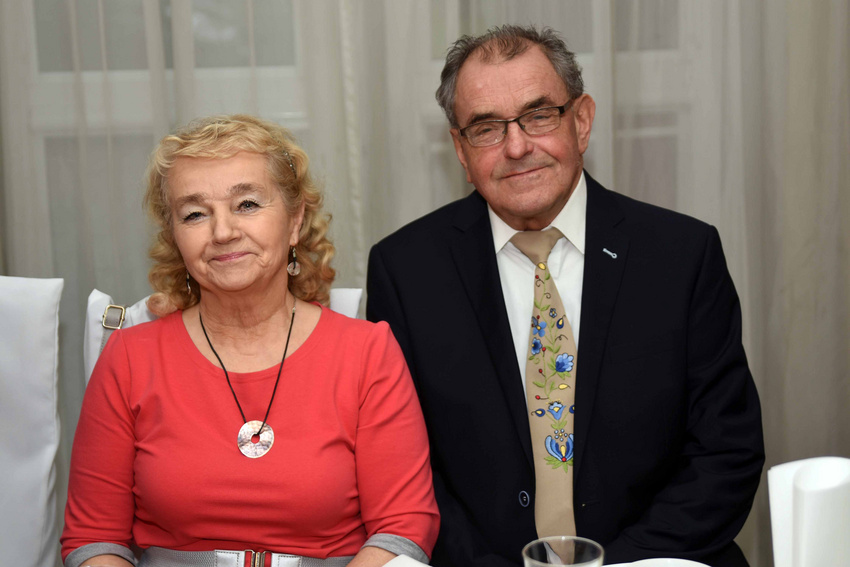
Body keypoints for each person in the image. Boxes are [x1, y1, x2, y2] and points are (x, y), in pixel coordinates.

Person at [366, 25, 764, 567]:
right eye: (486, 128)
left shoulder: (682, 256)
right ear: (460, 149)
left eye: (538, 116)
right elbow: (405, 470)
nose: (516, 147)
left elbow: (725, 453)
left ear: (581, 121)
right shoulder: (405, 270)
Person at [62, 115, 439, 567]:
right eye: (195, 214)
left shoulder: (367, 353)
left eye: (246, 204)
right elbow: (95, 539)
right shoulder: (129, 358)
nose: (223, 232)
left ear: (295, 221)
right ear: (175, 237)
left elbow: (402, 528)